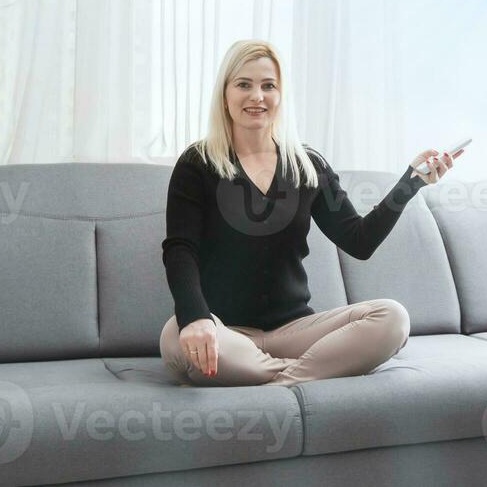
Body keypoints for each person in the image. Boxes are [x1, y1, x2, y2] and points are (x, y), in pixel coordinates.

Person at [158, 39, 457, 387]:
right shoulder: (198, 163)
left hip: (295, 331)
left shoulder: (307, 166)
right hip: (224, 331)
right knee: (173, 336)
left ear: (281, 95)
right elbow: (180, 250)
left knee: (393, 318)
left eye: (268, 86)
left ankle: (273, 379)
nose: (257, 96)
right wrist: (196, 319)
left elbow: (359, 241)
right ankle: (309, 372)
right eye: (244, 84)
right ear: (225, 94)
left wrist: (410, 183)